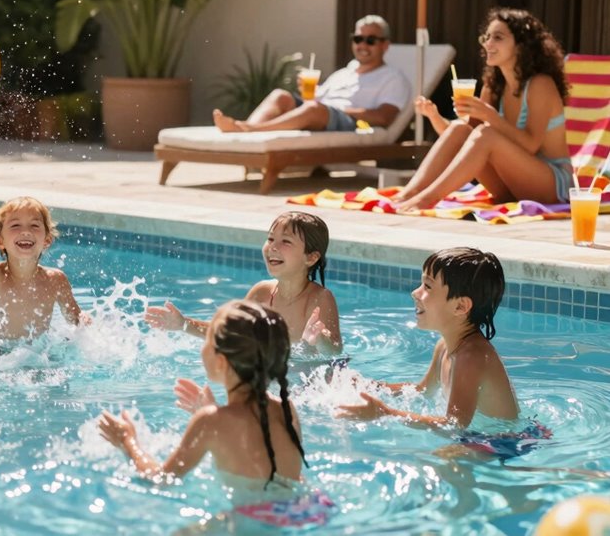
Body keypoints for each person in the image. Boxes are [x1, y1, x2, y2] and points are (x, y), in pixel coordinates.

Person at [99, 301, 332, 526]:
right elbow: (279, 472)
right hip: (308, 508)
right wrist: (212, 411)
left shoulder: (210, 421)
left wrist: (127, 441)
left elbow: (162, 480)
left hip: (258, 522)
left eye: (208, 342)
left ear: (220, 363)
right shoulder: (286, 406)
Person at [337, 248, 548, 460]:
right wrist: (370, 386)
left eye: (427, 286)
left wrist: (387, 414)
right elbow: (422, 391)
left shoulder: (471, 357)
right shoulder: (444, 346)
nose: (415, 293)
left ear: (460, 306)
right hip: (482, 437)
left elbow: (454, 424)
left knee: (441, 460)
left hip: (508, 441)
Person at [396, 8, 570, 210]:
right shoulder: (494, 85)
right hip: (509, 187)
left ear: (521, 45)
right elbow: (465, 142)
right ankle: (409, 194)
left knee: (486, 134)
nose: (488, 43)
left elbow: (530, 145)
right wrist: (435, 117)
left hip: (552, 186)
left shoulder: (540, 84)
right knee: (460, 129)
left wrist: (489, 115)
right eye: (486, 37)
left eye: (498, 37)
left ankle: (426, 200)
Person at [146, 211, 341, 355]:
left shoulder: (319, 298)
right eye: (270, 238)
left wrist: (320, 339)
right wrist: (183, 324)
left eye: (286, 241)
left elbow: (334, 350)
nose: (273, 246)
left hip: (312, 385)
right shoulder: (262, 293)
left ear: (311, 258)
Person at [0, 167, 88, 341]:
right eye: (15, 226)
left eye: (34, 225)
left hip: (39, 359)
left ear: (47, 240)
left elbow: (77, 322)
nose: (25, 231)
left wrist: (84, 322)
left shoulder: (56, 280)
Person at [212, 15, 411, 134]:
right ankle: (245, 135)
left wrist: (339, 109)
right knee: (281, 96)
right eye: (358, 38)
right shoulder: (345, 73)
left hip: (349, 121)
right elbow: (315, 98)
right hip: (321, 111)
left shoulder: (393, 78)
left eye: (370, 40)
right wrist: (309, 93)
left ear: (385, 45)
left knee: (314, 109)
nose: (362, 45)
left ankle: (249, 130)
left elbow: (385, 118)